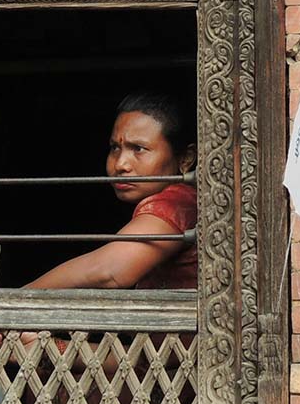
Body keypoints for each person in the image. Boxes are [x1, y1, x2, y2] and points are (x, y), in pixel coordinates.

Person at [24, 91, 197, 291]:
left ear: (185, 158)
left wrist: (18, 298)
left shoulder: (177, 202)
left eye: (138, 148)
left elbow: (111, 271)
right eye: (115, 148)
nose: (121, 164)